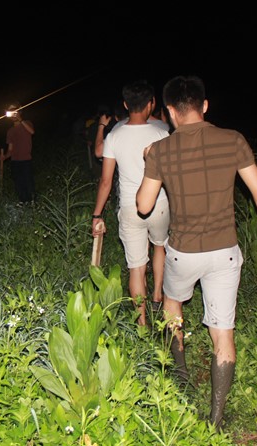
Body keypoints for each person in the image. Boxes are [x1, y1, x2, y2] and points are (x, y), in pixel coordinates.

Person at [136, 75, 257, 431]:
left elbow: (143, 206)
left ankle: (180, 379)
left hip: (183, 252)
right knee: (223, 332)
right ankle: (216, 418)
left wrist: (149, 160)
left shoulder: (161, 150)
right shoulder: (233, 140)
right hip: (225, 252)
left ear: (170, 111)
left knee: (172, 304)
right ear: (205, 105)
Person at [91, 80, 170, 327]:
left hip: (130, 206)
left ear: (126, 105)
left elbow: (106, 181)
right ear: (151, 104)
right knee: (159, 247)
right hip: (160, 204)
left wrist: (97, 215)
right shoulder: (162, 134)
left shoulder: (114, 136)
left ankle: (141, 323)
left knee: (136, 268)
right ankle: (157, 294)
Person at [1, 103, 35, 203]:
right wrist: (4, 157)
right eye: (10, 112)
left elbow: (32, 132)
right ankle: (22, 202)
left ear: (20, 112)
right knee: (18, 183)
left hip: (26, 159)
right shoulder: (10, 131)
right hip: (15, 161)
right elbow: (10, 150)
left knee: (28, 182)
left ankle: (32, 203)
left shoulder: (27, 123)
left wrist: (21, 120)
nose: (13, 115)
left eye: (14, 112)